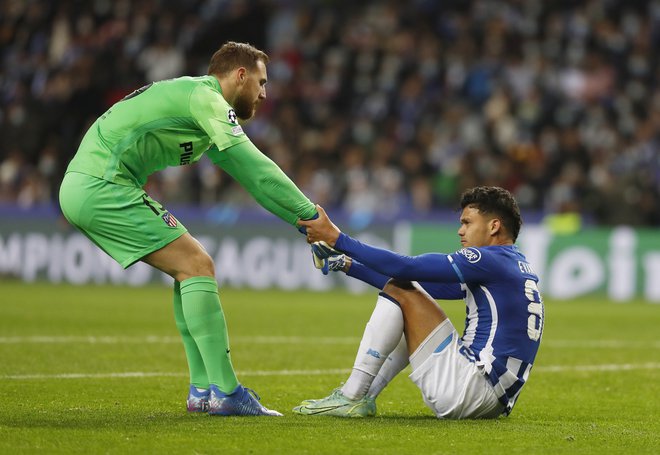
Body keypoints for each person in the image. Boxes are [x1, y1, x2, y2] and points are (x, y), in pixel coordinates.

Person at [59, 41, 319, 417]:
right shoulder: (206, 97)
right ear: (240, 76)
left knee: (190, 269)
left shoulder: (200, 112)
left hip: (90, 183)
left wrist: (302, 223)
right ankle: (227, 392)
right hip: (102, 184)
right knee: (197, 264)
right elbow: (259, 168)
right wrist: (312, 215)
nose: (265, 94)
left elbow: (252, 180)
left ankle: (202, 390)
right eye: (261, 83)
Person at [296, 186, 544, 419]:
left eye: (467, 223)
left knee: (402, 291)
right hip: (492, 401)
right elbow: (416, 287)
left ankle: (351, 396)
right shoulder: (514, 265)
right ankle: (363, 396)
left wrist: (337, 238)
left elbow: (406, 269)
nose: (460, 231)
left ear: (494, 226)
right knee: (406, 295)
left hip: (470, 388)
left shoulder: (487, 260)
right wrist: (346, 264)